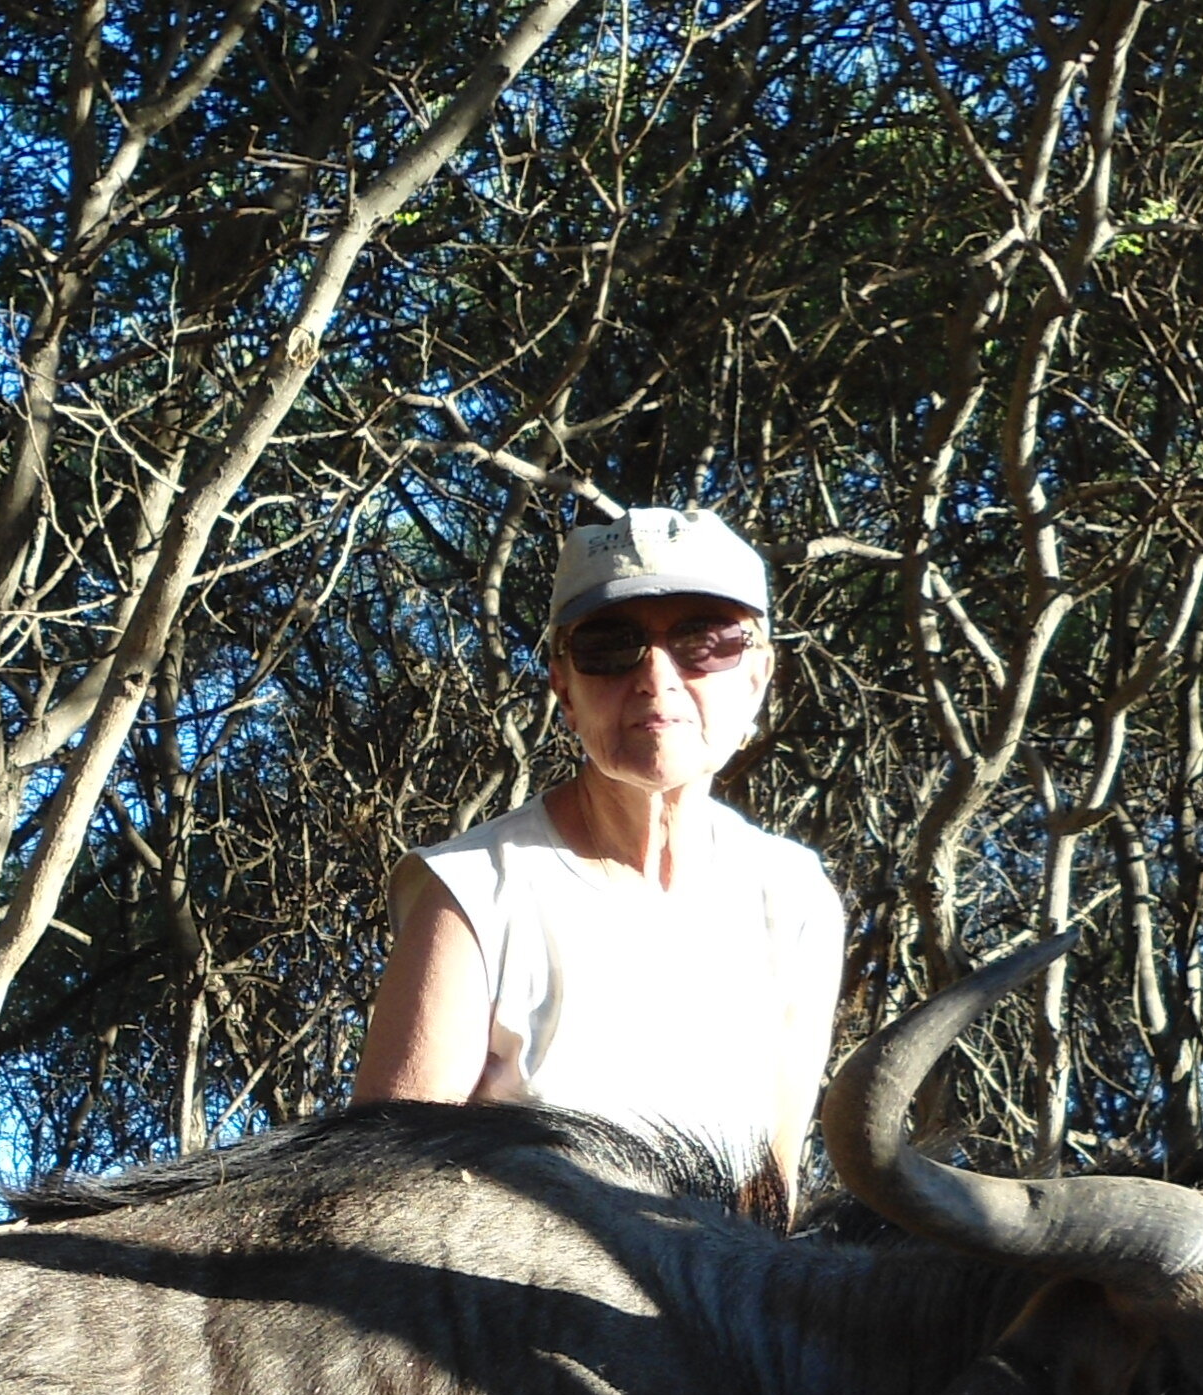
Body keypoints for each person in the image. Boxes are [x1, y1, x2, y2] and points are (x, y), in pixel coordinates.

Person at [352, 507, 846, 1215]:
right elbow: (378, 1192)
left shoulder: (794, 899)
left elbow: (771, 1195)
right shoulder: (474, 892)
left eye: (703, 641)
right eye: (610, 648)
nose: (655, 677)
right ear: (563, 687)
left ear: (758, 675)